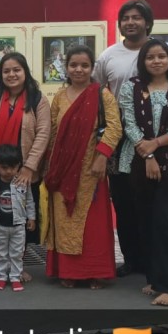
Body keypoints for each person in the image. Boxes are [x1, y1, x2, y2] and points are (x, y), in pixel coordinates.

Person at [92, 0, 168, 278]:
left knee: (158, 207)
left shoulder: (166, 52)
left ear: (148, 22)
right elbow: (95, 91)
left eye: (137, 17)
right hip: (122, 140)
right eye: (125, 18)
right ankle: (132, 259)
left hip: (163, 141)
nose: (131, 22)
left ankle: (157, 263)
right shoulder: (109, 56)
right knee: (124, 203)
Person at [117, 39, 168, 307]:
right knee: (147, 220)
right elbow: (128, 123)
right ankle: (155, 278)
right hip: (139, 161)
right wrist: (149, 154)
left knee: (166, 221)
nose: (156, 61)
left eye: (161, 56)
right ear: (143, 61)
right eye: (150, 57)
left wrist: (156, 144)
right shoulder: (131, 87)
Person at [44, 44, 122, 289]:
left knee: (92, 224)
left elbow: (114, 127)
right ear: (66, 67)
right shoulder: (59, 97)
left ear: (92, 68)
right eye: (74, 65)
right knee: (64, 220)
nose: (79, 70)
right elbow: (53, 132)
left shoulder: (102, 95)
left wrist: (102, 157)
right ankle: (67, 272)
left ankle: (94, 273)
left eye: (84, 65)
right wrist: (49, 166)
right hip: (63, 170)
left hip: (91, 170)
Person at [0, 52, 50, 285]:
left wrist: (29, 168)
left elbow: (43, 133)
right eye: (6, 71)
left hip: (23, 172)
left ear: (25, 71)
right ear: (0, 74)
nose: (12, 74)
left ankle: (17, 267)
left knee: (20, 221)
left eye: (17, 69)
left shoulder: (37, 99)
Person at [0, 144, 35, 292]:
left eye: (13, 167)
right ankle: (2, 277)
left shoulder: (22, 182)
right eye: (4, 168)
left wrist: (31, 218)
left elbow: (29, 201)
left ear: (18, 166)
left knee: (17, 253)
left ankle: (15, 278)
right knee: (0, 254)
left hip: (18, 226)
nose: (9, 171)